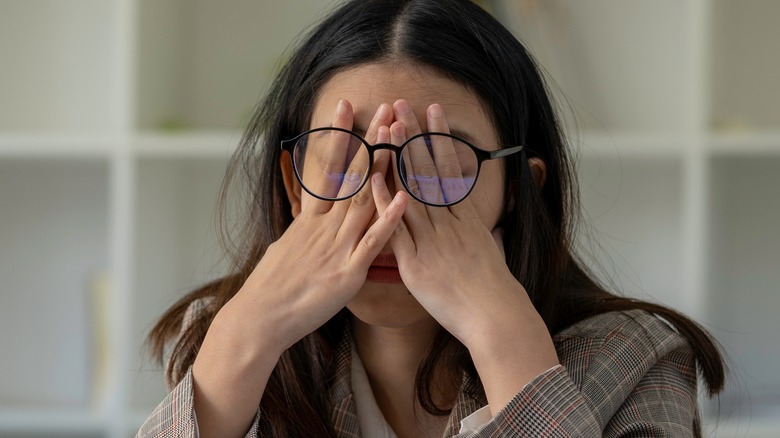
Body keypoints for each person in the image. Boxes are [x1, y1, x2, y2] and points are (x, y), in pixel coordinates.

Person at [137, 0, 725, 436]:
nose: (387, 209)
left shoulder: (635, 358)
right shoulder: (221, 336)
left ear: (518, 192)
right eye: (346, 156)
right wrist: (242, 337)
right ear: (295, 186)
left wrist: (507, 340)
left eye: (438, 163)